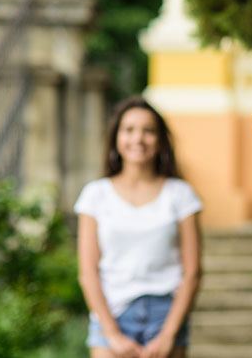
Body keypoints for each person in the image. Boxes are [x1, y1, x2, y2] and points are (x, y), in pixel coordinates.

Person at [75, 96, 203, 358]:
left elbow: (192, 272)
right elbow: (88, 272)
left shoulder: (181, 195)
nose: (138, 139)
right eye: (129, 130)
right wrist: (112, 334)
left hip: (167, 317)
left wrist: (168, 334)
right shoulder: (95, 195)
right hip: (111, 315)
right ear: (116, 138)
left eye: (148, 131)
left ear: (160, 140)